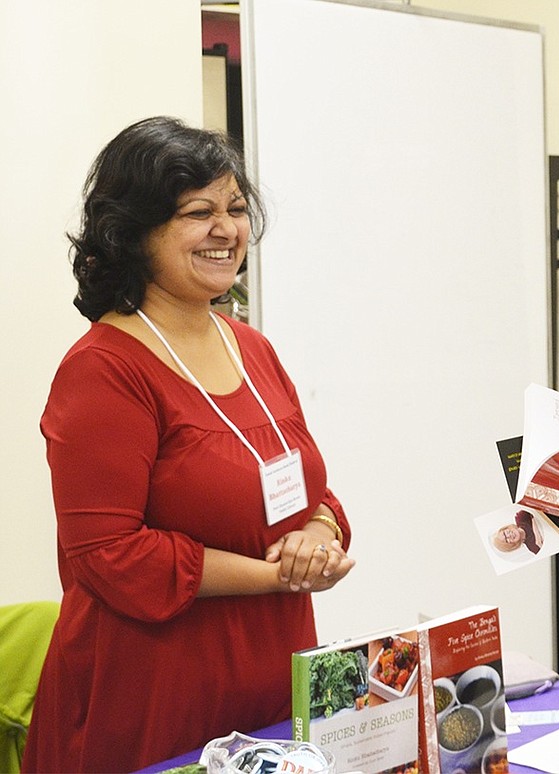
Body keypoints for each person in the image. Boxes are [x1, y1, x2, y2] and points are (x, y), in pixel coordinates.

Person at [23, 117, 356, 773]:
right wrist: (276, 576)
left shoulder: (251, 347)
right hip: (154, 692)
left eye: (235, 209)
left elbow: (309, 489)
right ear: (135, 233)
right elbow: (109, 554)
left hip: (274, 670)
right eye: (198, 213)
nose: (226, 230)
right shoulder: (104, 369)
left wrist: (319, 532)